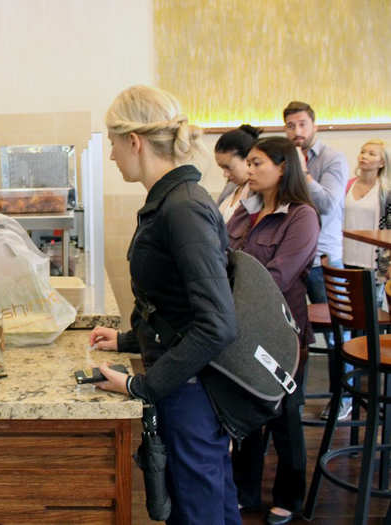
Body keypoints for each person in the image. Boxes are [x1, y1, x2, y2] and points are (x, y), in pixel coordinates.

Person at [89, 85, 241, 525]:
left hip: (192, 388)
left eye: (114, 144)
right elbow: (173, 305)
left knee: (198, 510)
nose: (113, 156)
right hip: (183, 381)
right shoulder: (172, 201)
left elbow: (216, 323)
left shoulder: (183, 208)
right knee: (208, 503)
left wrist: (143, 387)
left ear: (133, 141)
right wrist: (126, 340)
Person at [227, 137, 320, 525]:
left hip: (284, 331)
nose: (248, 170)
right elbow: (222, 256)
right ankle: (245, 491)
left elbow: (280, 275)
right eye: (247, 163)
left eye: (257, 163)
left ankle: (290, 496)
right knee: (247, 409)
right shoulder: (244, 212)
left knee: (285, 416)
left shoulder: (302, 216)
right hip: (245, 328)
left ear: (283, 167)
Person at [283, 100, 351, 420]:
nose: (297, 132)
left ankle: (344, 399)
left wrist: (303, 171)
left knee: (340, 333)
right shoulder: (284, 159)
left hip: (324, 260)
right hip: (296, 259)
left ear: (315, 125)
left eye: (302, 125)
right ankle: (294, 398)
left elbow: (328, 204)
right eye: (291, 126)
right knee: (294, 331)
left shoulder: (333, 158)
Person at [343, 139, 391, 305]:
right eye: (363, 152)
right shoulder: (347, 186)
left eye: (372, 154)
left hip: (374, 263)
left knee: (371, 311)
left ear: (382, 162)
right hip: (346, 258)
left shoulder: (386, 192)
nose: (364, 156)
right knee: (348, 310)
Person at [214, 124, 262, 223]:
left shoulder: (260, 192)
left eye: (228, 167)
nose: (225, 174)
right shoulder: (231, 187)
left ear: (248, 159)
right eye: (222, 168)